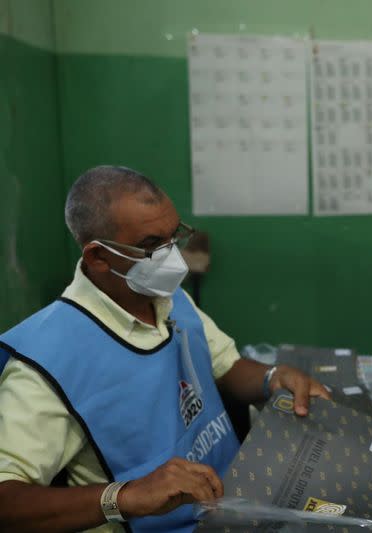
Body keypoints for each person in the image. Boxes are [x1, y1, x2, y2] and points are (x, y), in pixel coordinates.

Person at [0, 166, 331, 532]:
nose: (172, 258)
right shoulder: (46, 363)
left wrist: (273, 378)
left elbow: (226, 366)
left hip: (230, 509)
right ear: (98, 257)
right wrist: (125, 496)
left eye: (174, 237)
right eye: (150, 245)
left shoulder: (166, 297)